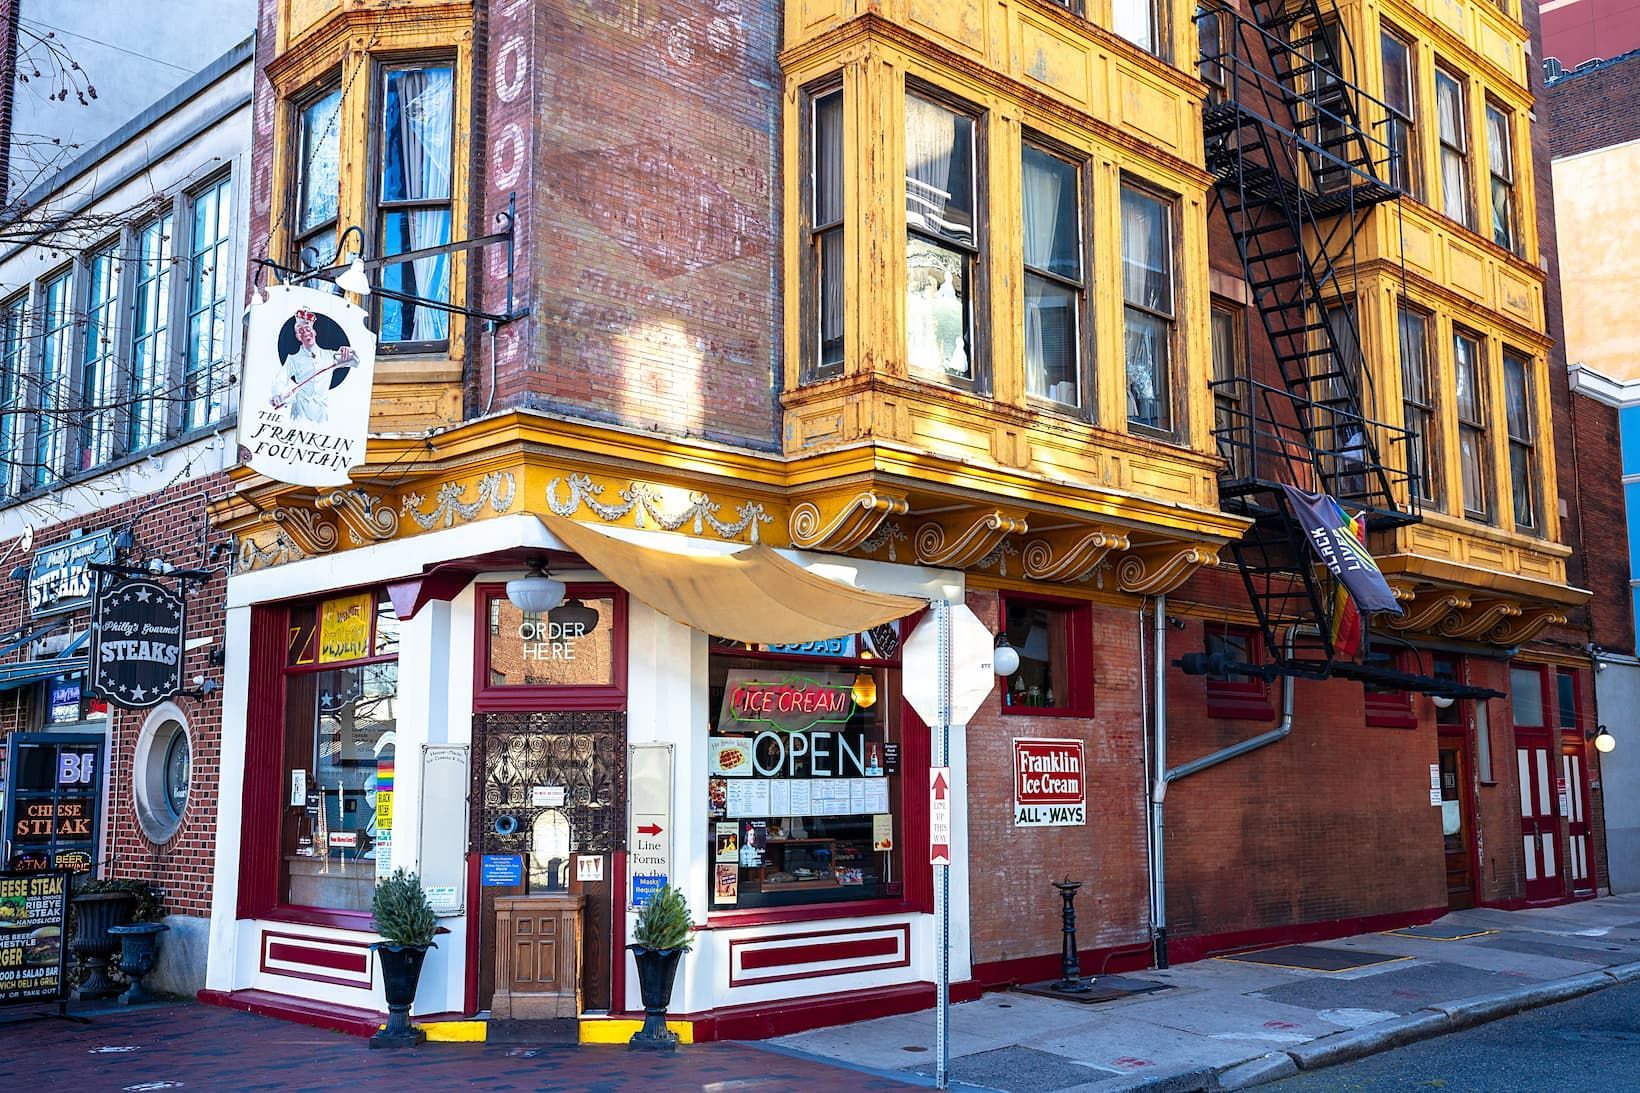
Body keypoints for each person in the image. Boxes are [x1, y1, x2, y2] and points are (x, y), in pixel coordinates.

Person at [275, 308, 355, 423]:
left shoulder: (329, 356)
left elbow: (356, 362)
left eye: (308, 329)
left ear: (314, 332)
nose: (305, 333)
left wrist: (349, 351)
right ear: (298, 337)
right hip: (299, 415)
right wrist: (277, 395)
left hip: (321, 416)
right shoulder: (293, 359)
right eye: (300, 331)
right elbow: (280, 380)